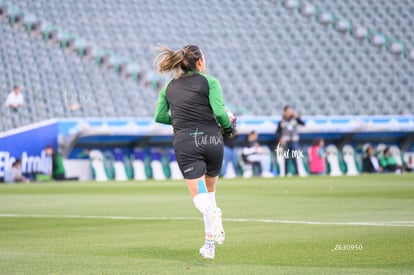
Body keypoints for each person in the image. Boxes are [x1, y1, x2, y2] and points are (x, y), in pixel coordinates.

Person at [153, 45, 236, 260]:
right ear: (199, 62)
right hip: (212, 140)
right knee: (210, 194)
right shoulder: (211, 82)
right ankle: (209, 245)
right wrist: (228, 128)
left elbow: (160, 117)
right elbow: (219, 111)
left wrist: (182, 120)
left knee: (201, 197)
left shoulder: (168, 87)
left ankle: (213, 220)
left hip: (187, 144)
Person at [276, 105, 305, 176]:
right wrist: (280, 139)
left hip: (294, 141)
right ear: (285, 112)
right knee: (286, 158)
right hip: (285, 142)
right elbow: (278, 132)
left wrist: (298, 117)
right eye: (288, 111)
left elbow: (303, 124)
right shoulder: (281, 121)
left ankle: (297, 172)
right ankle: (285, 173)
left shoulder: (295, 119)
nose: (290, 112)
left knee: (295, 157)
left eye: (290, 111)